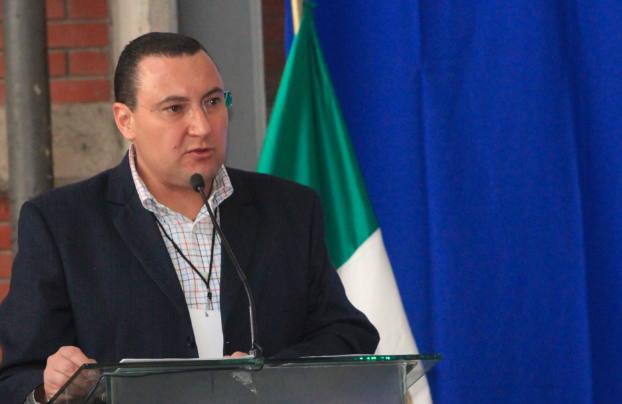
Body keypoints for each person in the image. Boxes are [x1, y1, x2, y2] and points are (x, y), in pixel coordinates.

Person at [0, 32, 379, 404]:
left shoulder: (291, 209)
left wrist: (270, 374)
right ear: (125, 120)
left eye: (212, 101)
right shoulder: (61, 224)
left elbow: (347, 334)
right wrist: (49, 389)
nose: (202, 126)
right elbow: (17, 379)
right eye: (175, 108)